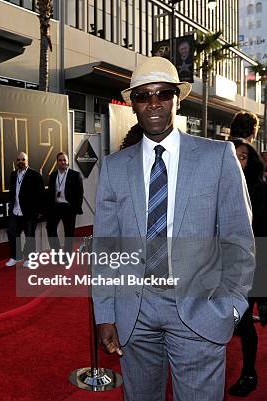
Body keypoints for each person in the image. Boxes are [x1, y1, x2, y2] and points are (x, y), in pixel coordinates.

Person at [91, 57, 255, 401]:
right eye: (143, 96)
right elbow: (106, 249)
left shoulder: (219, 157)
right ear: (132, 103)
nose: (153, 104)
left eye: (163, 93)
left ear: (177, 99)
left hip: (201, 308)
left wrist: (233, 306)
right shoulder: (114, 167)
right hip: (135, 312)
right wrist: (105, 313)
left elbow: (239, 240)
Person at [228, 138, 267, 397]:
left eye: (242, 156)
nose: (236, 161)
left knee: (247, 321)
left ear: (251, 161)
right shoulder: (222, 188)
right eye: (232, 156)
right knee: (237, 322)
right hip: (225, 266)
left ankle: (250, 373)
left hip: (256, 265)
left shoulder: (261, 190)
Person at [5, 152, 44, 267]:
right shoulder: (13, 175)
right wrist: (10, 206)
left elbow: (41, 195)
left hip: (29, 212)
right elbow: (12, 193)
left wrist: (38, 212)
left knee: (29, 235)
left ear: (27, 161)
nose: (20, 161)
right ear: (16, 161)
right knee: (11, 232)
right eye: (18, 160)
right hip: (15, 211)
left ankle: (30, 259)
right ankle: (16, 257)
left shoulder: (35, 175)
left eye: (23, 159)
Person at [45, 152, 83, 251]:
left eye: (64, 160)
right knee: (50, 229)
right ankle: (57, 253)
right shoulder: (53, 175)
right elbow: (50, 193)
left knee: (69, 233)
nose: (63, 162)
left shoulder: (75, 175)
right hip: (56, 206)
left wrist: (75, 208)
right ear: (57, 162)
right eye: (60, 160)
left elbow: (80, 193)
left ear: (68, 161)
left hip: (69, 207)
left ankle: (67, 255)